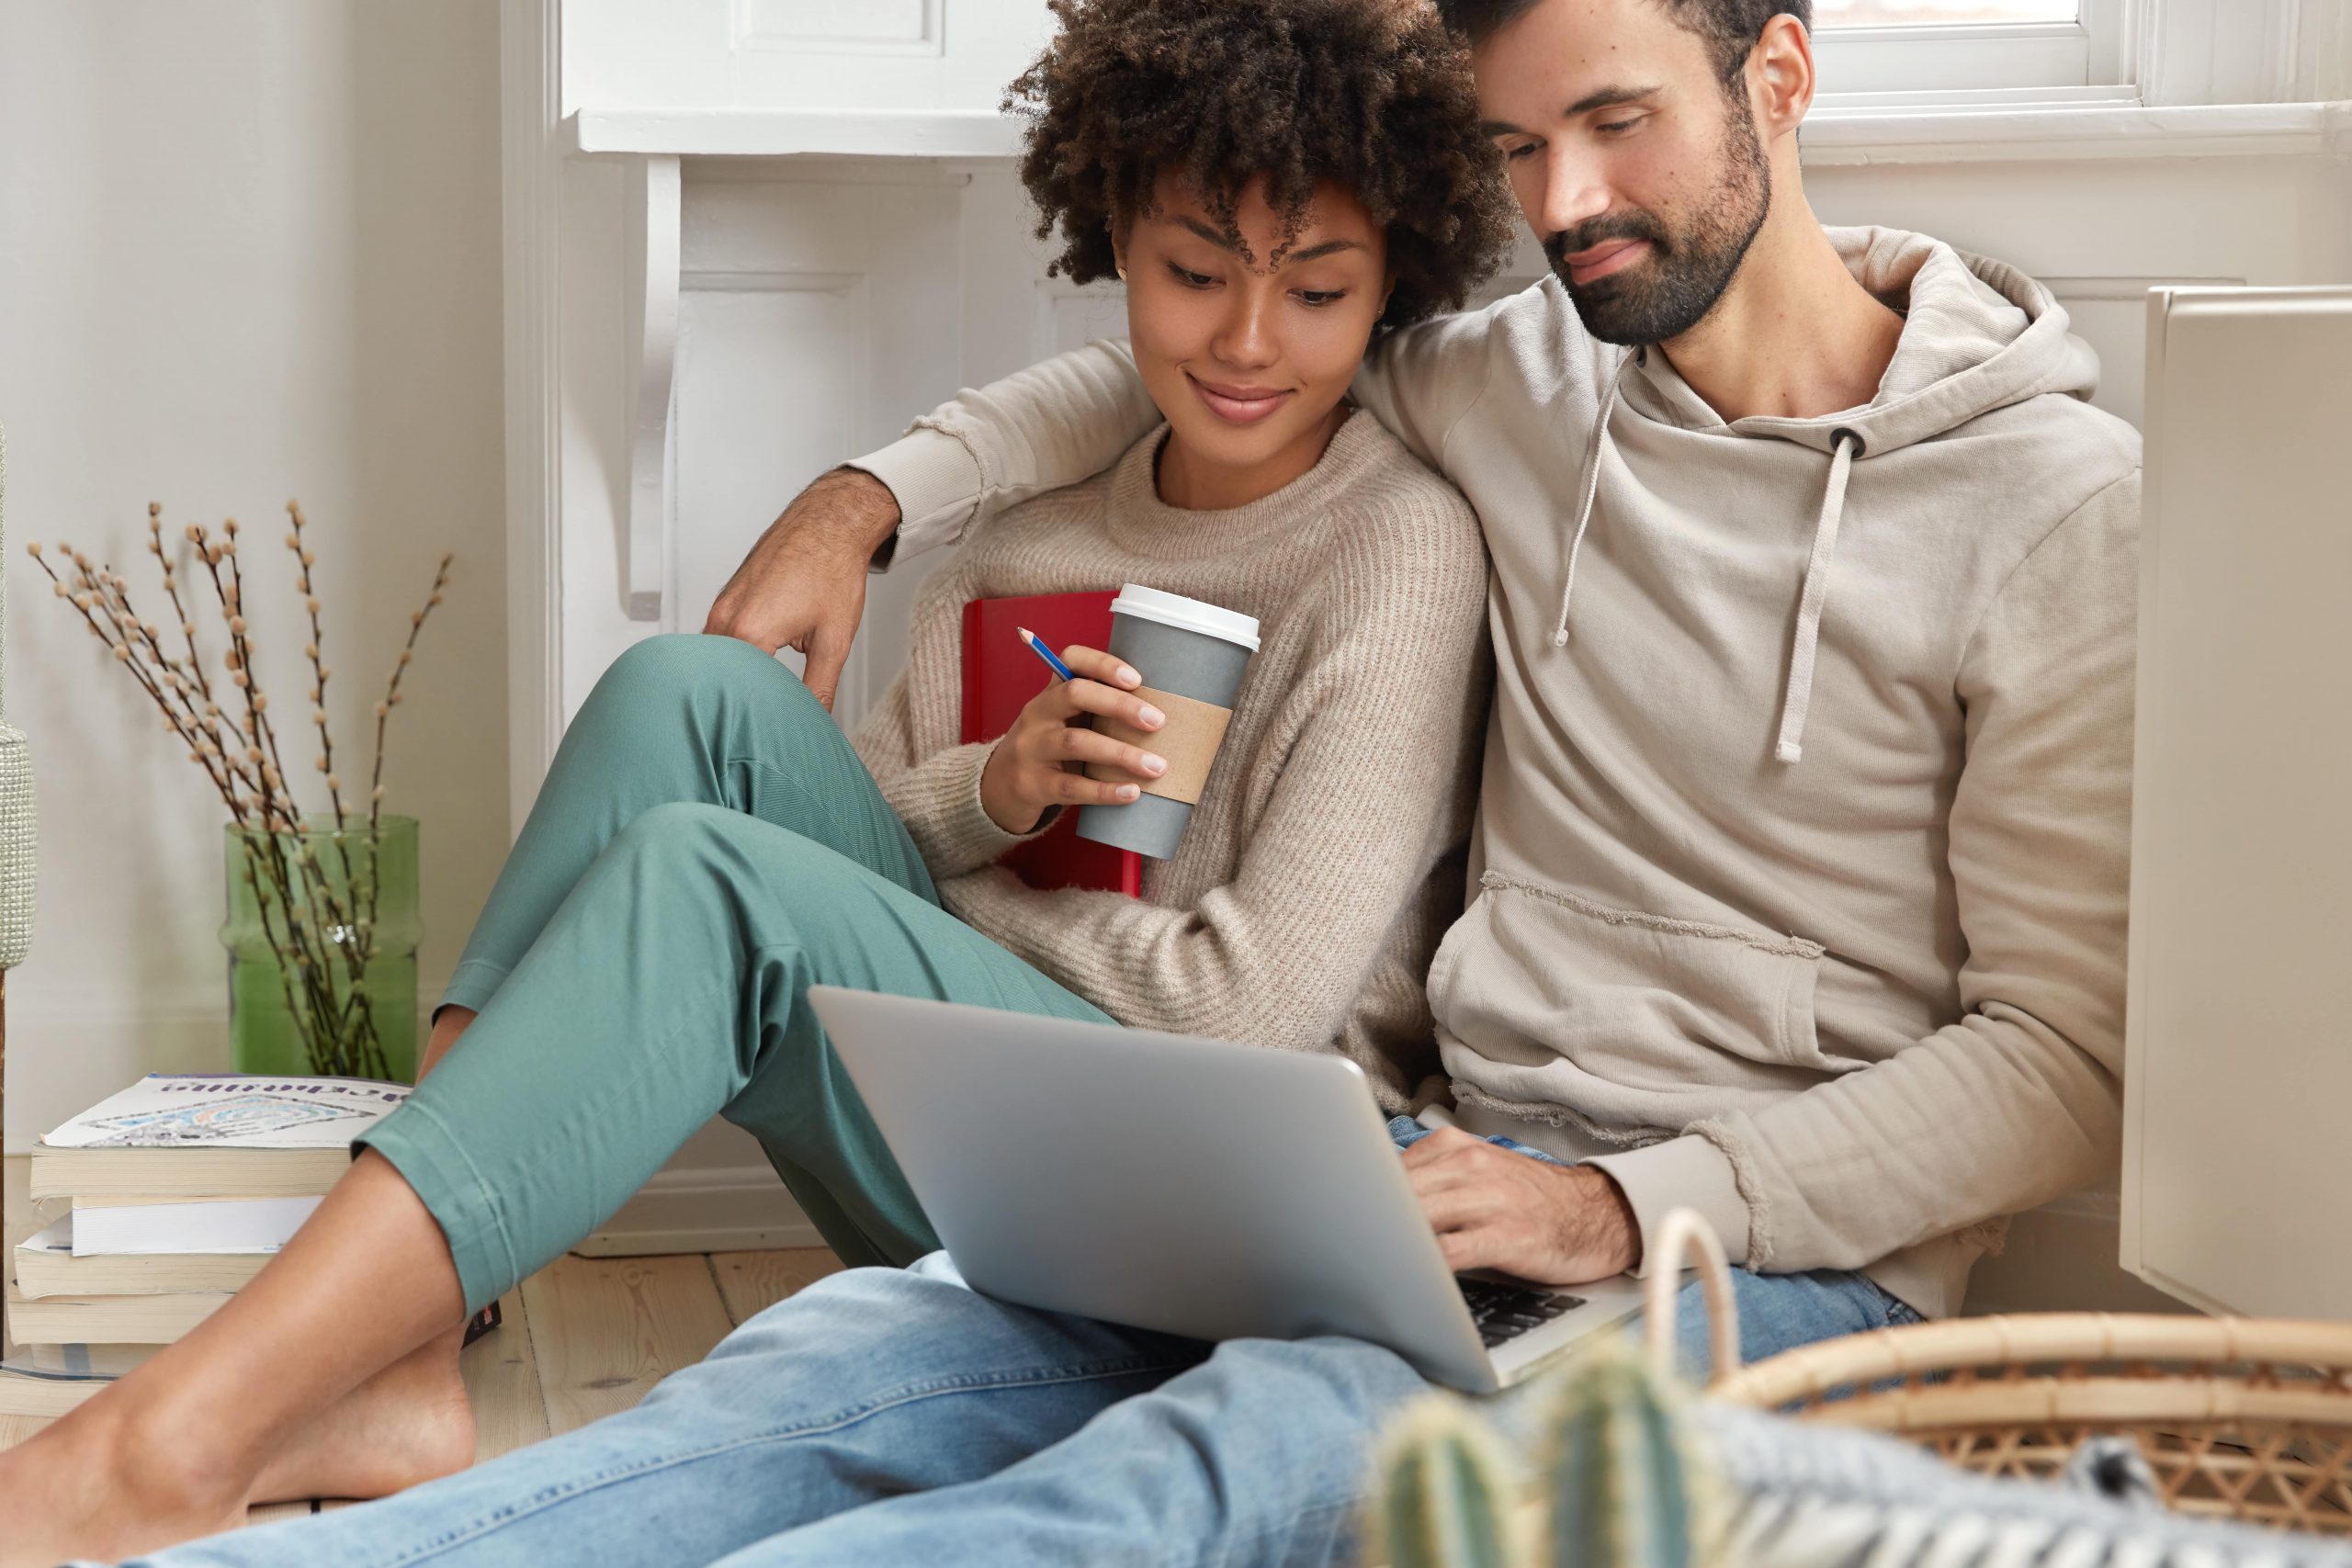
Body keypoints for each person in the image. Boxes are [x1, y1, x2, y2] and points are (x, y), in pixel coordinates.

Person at [35, 0, 2139, 1562]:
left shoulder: (2049, 505)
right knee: (828, 1371)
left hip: (1732, 1251)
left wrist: (1619, 1203)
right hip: (1415, 1162)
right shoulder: (1527, 366)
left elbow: (2055, 1059)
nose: (1568, 200)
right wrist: (863, 493)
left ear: (1777, 78)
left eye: (1618, 123)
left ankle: (189, 1439)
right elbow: (1165, 348)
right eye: (1520, 147)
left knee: (1193, 1467)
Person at [0, 4, 1521, 1562]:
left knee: (715, 888)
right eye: (1196, 274)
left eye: (1320, 290)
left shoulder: (1396, 546)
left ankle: (176, 1440)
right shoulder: (1025, 525)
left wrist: (955, 899)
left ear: (1394, 279)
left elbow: (1242, 1018)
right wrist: (988, 801)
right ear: (1113, 241)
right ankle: (389, 1353)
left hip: (1222, 1209)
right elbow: (863, 838)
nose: (1250, 343)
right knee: (689, 692)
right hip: (988, 1133)